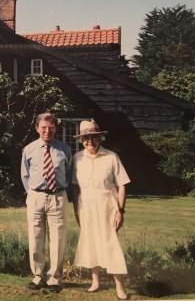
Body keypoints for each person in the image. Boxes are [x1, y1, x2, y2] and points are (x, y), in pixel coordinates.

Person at [71, 119, 130, 300]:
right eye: (86, 138)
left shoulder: (112, 157)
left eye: (94, 137)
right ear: (81, 140)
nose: (90, 141)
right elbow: (75, 188)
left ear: (100, 138)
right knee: (90, 242)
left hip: (108, 207)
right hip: (85, 206)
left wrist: (120, 211)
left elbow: (122, 185)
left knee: (110, 244)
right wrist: (76, 211)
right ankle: (95, 281)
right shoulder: (77, 159)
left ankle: (120, 286)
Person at [21, 112, 72, 292]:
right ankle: (38, 276)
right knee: (35, 237)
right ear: (37, 128)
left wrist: (60, 191)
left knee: (58, 237)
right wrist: (32, 194)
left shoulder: (64, 150)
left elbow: (69, 173)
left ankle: (54, 279)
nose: (47, 131)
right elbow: (25, 175)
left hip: (57, 196)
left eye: (51, 128)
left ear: (55, 128)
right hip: (36, 196)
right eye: (43, 127)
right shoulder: (29, 149)